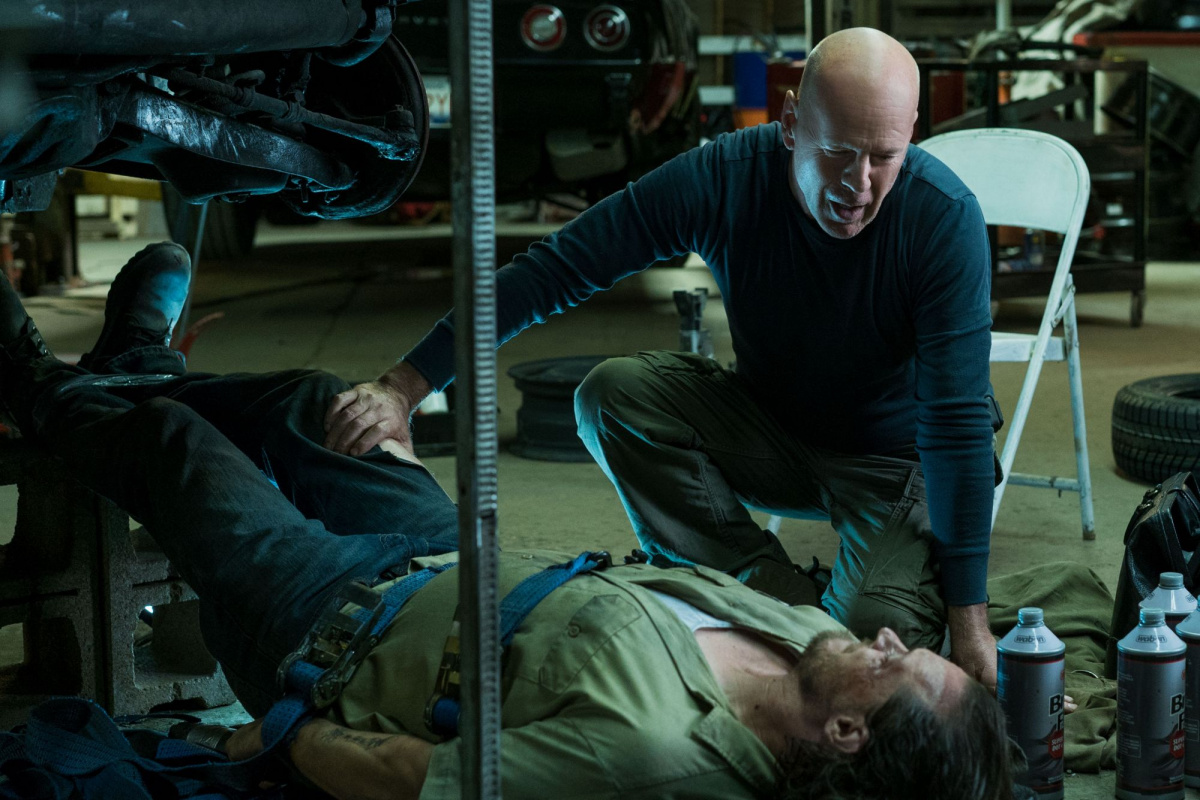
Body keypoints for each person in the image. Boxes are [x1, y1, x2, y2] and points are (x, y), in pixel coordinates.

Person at [0, 247, 1015, 799]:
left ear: (846, 734)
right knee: (324, 404)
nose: (892, 636)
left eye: (900, 665)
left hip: (328, 622)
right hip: (439, 556)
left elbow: (415, 776)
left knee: (176, 445)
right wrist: (408, 396)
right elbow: (569, 260)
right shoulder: (806, 639)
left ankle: (36, 386)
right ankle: (138, 367)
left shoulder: (653, 755)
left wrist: (280, 740)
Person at [321, 27, 999, 686]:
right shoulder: (725, 177)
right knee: (612, 395)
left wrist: (971, 626)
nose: (860, 183)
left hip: (892, 463)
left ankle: (782, 618)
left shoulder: (941, 218)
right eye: (838, 152)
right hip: (772, 430)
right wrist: (404, 386)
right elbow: (559, 267)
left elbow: (957, 424)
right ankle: (777, 599)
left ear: (912, 134)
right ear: (792, 123)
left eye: (884, 156)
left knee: (873, 642)